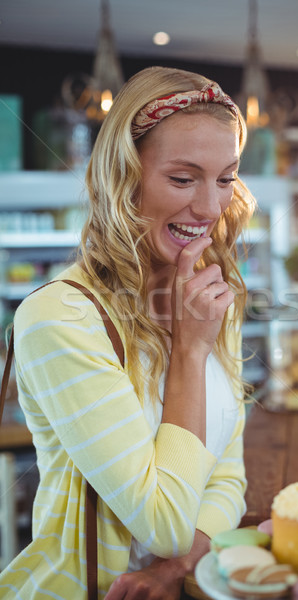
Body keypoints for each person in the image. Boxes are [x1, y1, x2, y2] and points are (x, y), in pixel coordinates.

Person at [0, 66, 256, 599]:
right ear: (123, 174)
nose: (211, 208)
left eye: (226, 178)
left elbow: (228, 476)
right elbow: (163, 523)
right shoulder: (59, 319)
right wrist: (188, 352)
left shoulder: (208, 297)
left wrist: (171, 571)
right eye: (183, 179)